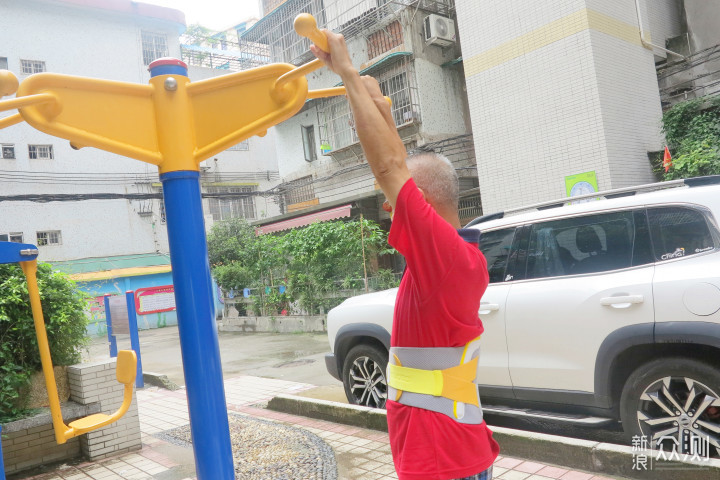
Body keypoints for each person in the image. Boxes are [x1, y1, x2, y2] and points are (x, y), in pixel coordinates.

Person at [312, 32, 499, 480]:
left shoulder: (447, 258)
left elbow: (391, 168)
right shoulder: (446, 259)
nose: (391, 209)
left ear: (425, 201)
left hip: (442, 460)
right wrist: (379, 107)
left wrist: (348, 75)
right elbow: (397, 164)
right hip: (449, 454)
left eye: (397, 202)